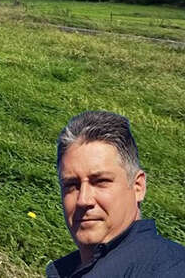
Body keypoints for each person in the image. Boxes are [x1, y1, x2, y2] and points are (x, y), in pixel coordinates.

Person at [48, 111, 185, 277]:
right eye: (72, 185)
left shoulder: (169, 269)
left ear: (138, 187)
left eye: (100, 181)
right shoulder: (67, 270)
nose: (83, 200)